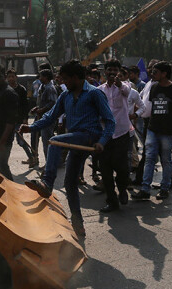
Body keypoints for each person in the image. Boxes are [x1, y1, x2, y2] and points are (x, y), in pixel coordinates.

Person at [20, 60, 115, 237]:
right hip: (74, 141)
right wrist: (31, 127)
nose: (62, 82)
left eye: (65, 79)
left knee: (54, 141)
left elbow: (110, 121)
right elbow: (50, 117)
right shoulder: (66, 96)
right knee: (69, 183)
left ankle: (47, 183)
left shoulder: (95, 94)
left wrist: (102, 141)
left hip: (89, 136)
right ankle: (78, 222)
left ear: (75, 77)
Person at [132, 61, 172, 201]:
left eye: (155, 72)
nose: (152, 74)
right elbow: (151, 109)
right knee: (149, 159)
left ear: (164, 74)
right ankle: (145, 189)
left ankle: (164, 188)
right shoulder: (154, 88)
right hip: (152, 129)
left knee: (166, 160)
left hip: (168, 132)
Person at [97, 59, 133, 212]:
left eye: (114, 70)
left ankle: (123, 189)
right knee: (105, 169)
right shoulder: (99, 90)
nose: (112, 73)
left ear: (119, 72)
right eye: (109, 70)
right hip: (105, 134)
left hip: (122, 132)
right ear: (105, 72)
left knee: (122, 166)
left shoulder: (125, 86)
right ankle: (111, 201)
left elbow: (127, 92)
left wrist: (118, 84)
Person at [28, 67, 58, 167]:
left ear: (46, 77)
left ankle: (49, 163)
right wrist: (36, 108)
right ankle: (35, 158)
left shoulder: (50, 88)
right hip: (40, 117)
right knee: (35, 137)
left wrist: (42, 110)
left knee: (47, 141)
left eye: (41, 76)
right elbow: (41, 102)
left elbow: (53, 103)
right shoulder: (42, 86)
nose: (39, 78)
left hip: (48, 118)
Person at [6, 69, 35, 164]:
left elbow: (24, 105)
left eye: (12, 76)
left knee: (20, 141)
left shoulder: (21, 89)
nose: (11, 78)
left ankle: (31, 157)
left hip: (18, 119)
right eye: (9, 76)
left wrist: (25, 118)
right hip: (7, 120)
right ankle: (4, 162)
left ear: (16, 77)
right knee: (7, 141)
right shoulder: (5, 89)